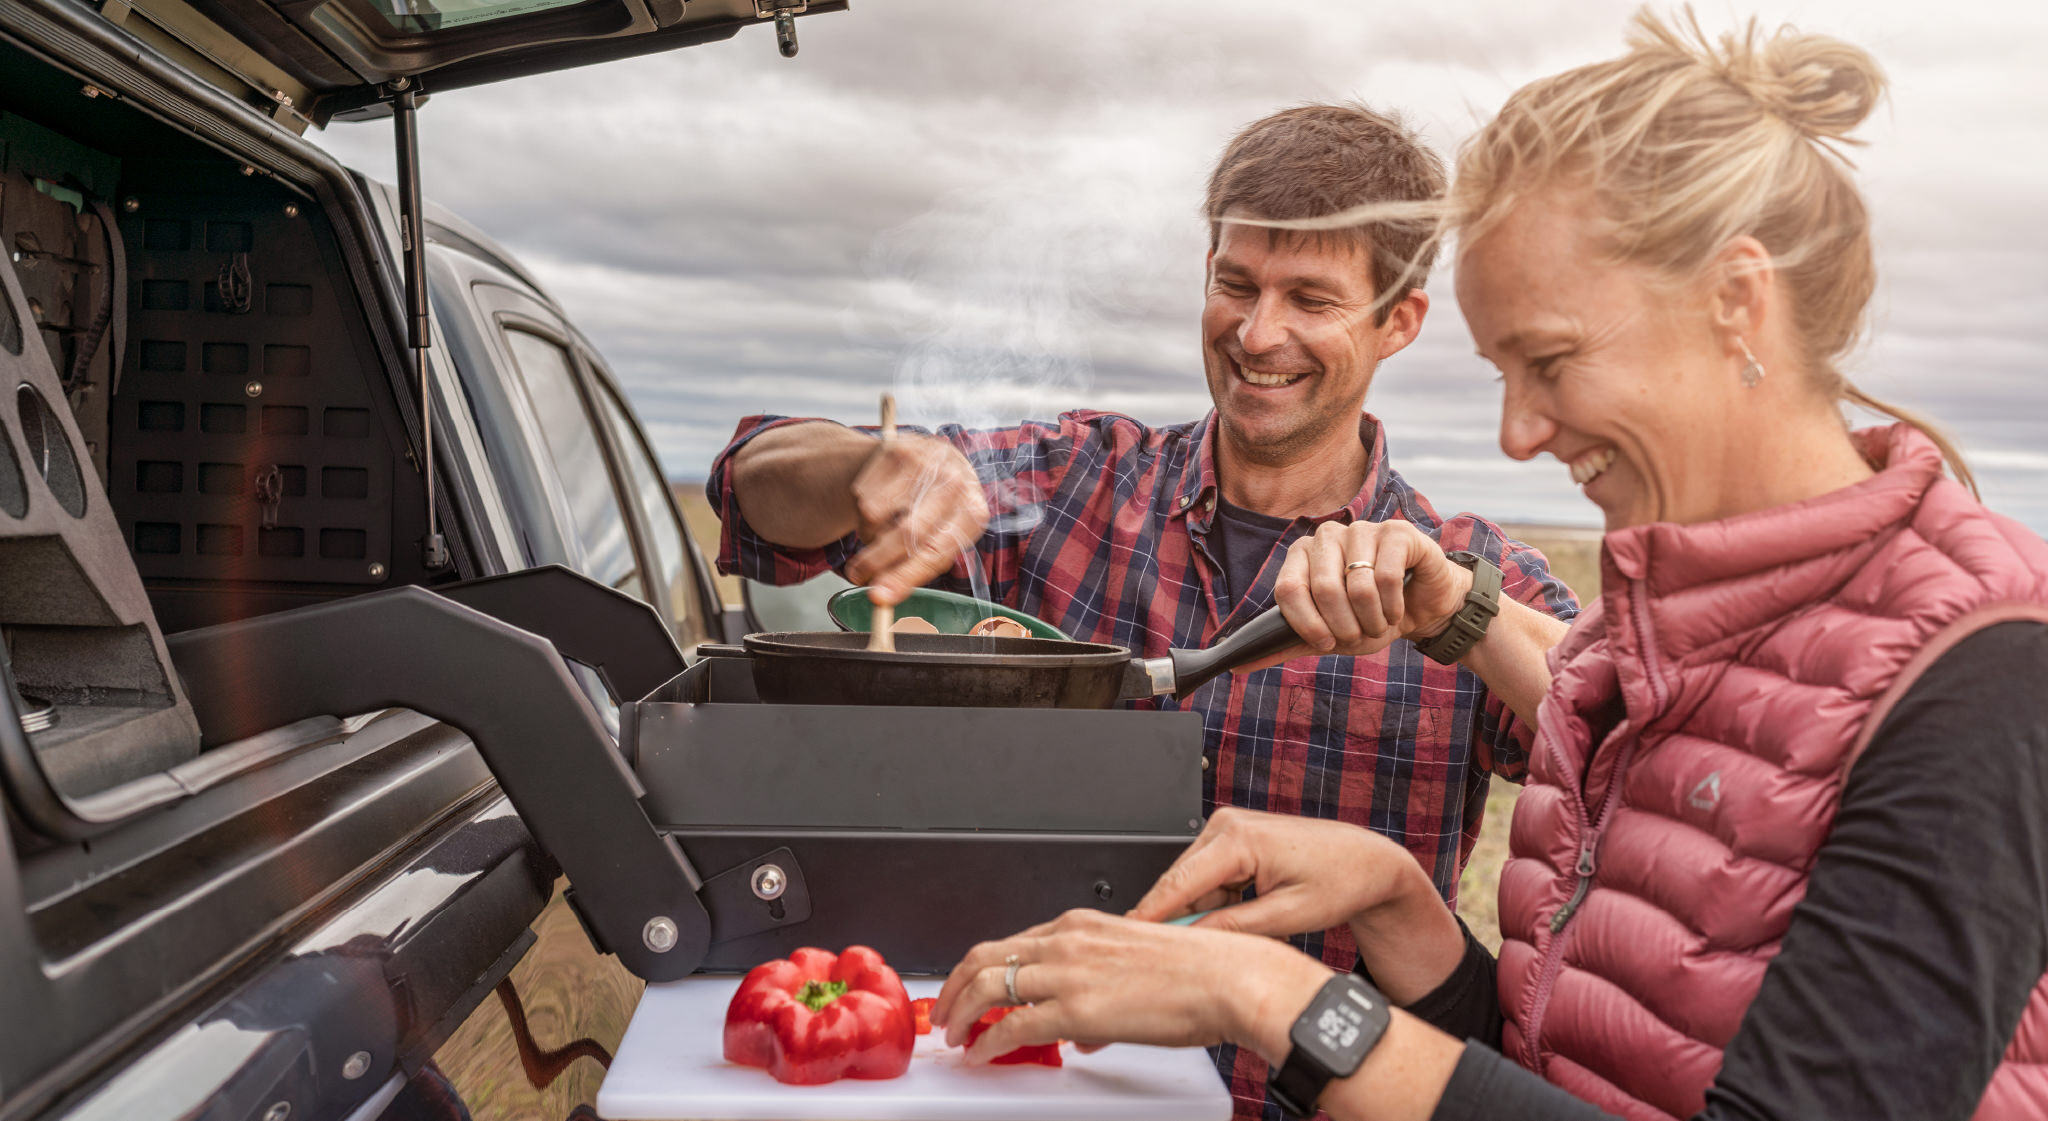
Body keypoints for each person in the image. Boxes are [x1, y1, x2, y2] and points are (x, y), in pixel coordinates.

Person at [929, 12, 2048, 1121]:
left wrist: (1269, 992)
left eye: (1549, 360)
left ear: (1735, 302)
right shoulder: (1630, 639)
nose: (1515, 434)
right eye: (1500, 370)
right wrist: (1402, 902)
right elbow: (1550, 1073)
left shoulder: (1979, 671)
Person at [707, 104, 1578, 1118]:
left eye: (1309, 299)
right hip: (1036, 1090)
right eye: (1235, 284)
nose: (1258, 334)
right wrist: (870, 464)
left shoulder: (1463, 571)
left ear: (1398, 320)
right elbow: (752, 488)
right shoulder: (1073, 480)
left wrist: (1457, 614)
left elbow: (1615, 741)